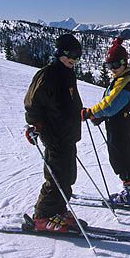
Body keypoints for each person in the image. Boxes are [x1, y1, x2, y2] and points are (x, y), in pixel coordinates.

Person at [24, 33, 83, 232]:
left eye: (78, 56)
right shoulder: (47, 74)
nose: (75, 60)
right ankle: (42, 217)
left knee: (68, 177)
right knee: (56, 177)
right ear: (60, 53)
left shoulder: (67, 73)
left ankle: (58, 210)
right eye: (72, 55)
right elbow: (33, 103)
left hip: (68, 135)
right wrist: (34, 125)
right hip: (55, 135)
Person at [81, 37, 130, 207]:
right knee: (126, 157)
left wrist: (91, 113)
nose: (112, 69)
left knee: (120, 161)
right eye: (109, 66)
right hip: (120, 123)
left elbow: (110, 104)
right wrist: (101, 117)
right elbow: (113, 107)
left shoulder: (123, 84)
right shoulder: (121, 79)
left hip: (119, 126)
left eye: (115, 65)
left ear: (124, 63)